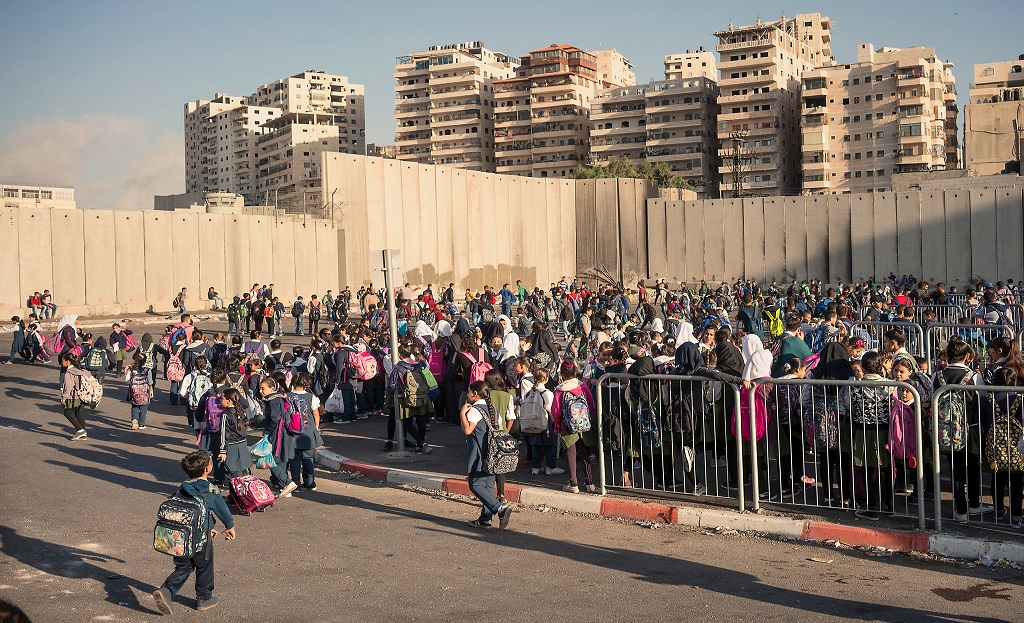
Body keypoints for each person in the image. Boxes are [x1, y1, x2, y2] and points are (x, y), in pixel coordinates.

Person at [152, 450, 236, 615]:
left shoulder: (183, 487)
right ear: (207, 469)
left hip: (181, 536)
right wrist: (230, 526)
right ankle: (204, 598)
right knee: (204, 565)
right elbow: (222, 510)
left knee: (184, 566)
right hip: (200, 537)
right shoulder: (209, 489)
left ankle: (167, 591)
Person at [460, 381, 513, 529]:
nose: (468, 394)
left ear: (475, 394)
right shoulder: (493, 410)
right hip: (493, 454)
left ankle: (499, 509)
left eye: (470, 391)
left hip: (479, 453)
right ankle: (485, 519)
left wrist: (462, 413)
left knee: (476, 485)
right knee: (488, 486)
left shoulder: (474, 410)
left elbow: (468, 430)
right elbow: (501, 430)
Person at [551, 361, 597, 493]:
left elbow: (556, 410)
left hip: (567, 425)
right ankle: (590, 483)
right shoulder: (582, 386)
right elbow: (591, 403)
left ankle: (573, 483)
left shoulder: (560, 389)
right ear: (575, 372)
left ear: (561, 374)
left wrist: (557, 425)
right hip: (583, 422)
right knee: (584, 453)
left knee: (571, 453)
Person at [258, 377, 298, 497]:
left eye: (263, 388)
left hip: (277, 433)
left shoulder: (273, 400)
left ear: (272, 388)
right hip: (285, 432)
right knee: (281, 459)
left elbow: (275, 418)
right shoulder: (281, 397)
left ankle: (287, 482)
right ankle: (284, 486)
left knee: (271, 460)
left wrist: (267, 431)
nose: (261, 391)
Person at [286, 373, 323, 492]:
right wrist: (316, 429)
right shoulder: (311, 397)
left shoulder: (287, 396)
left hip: (292, 432)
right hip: (308, 431)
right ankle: (310, 481)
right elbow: (316, 415)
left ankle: (295, 482)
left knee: (294, 459)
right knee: (308, 458)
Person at [218, 388, 252, 483]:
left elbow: (224, 434)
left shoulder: (225, 415)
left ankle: (234, 496)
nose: (220, 400)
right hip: (243, 445)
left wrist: (222, 451)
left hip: (232, 447)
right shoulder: (242, 412)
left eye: (222, 398)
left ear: (229, 401)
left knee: (232, 475)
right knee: (243, 475)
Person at [60, 353, 90, 440]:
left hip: (73, 397)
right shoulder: (80, 370)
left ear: (67, 362)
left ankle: (80, 430)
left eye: (63, 361)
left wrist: (64, 397)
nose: (62, 363)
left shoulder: (69, 372)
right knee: (79, 412)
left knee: (67, 412)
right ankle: (83, 432)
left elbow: (69, 386)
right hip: (82, 395)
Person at [125, 352, 154, 430]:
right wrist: (151, 390)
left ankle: (135, 419)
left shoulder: (132, 369)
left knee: (134, 406)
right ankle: (141, 423)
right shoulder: (147, 370)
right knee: (144, 407)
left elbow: (127, 378)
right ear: (145, 361)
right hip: (144, 391)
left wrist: (126, 370)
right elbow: (150, 382)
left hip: (134, 391)